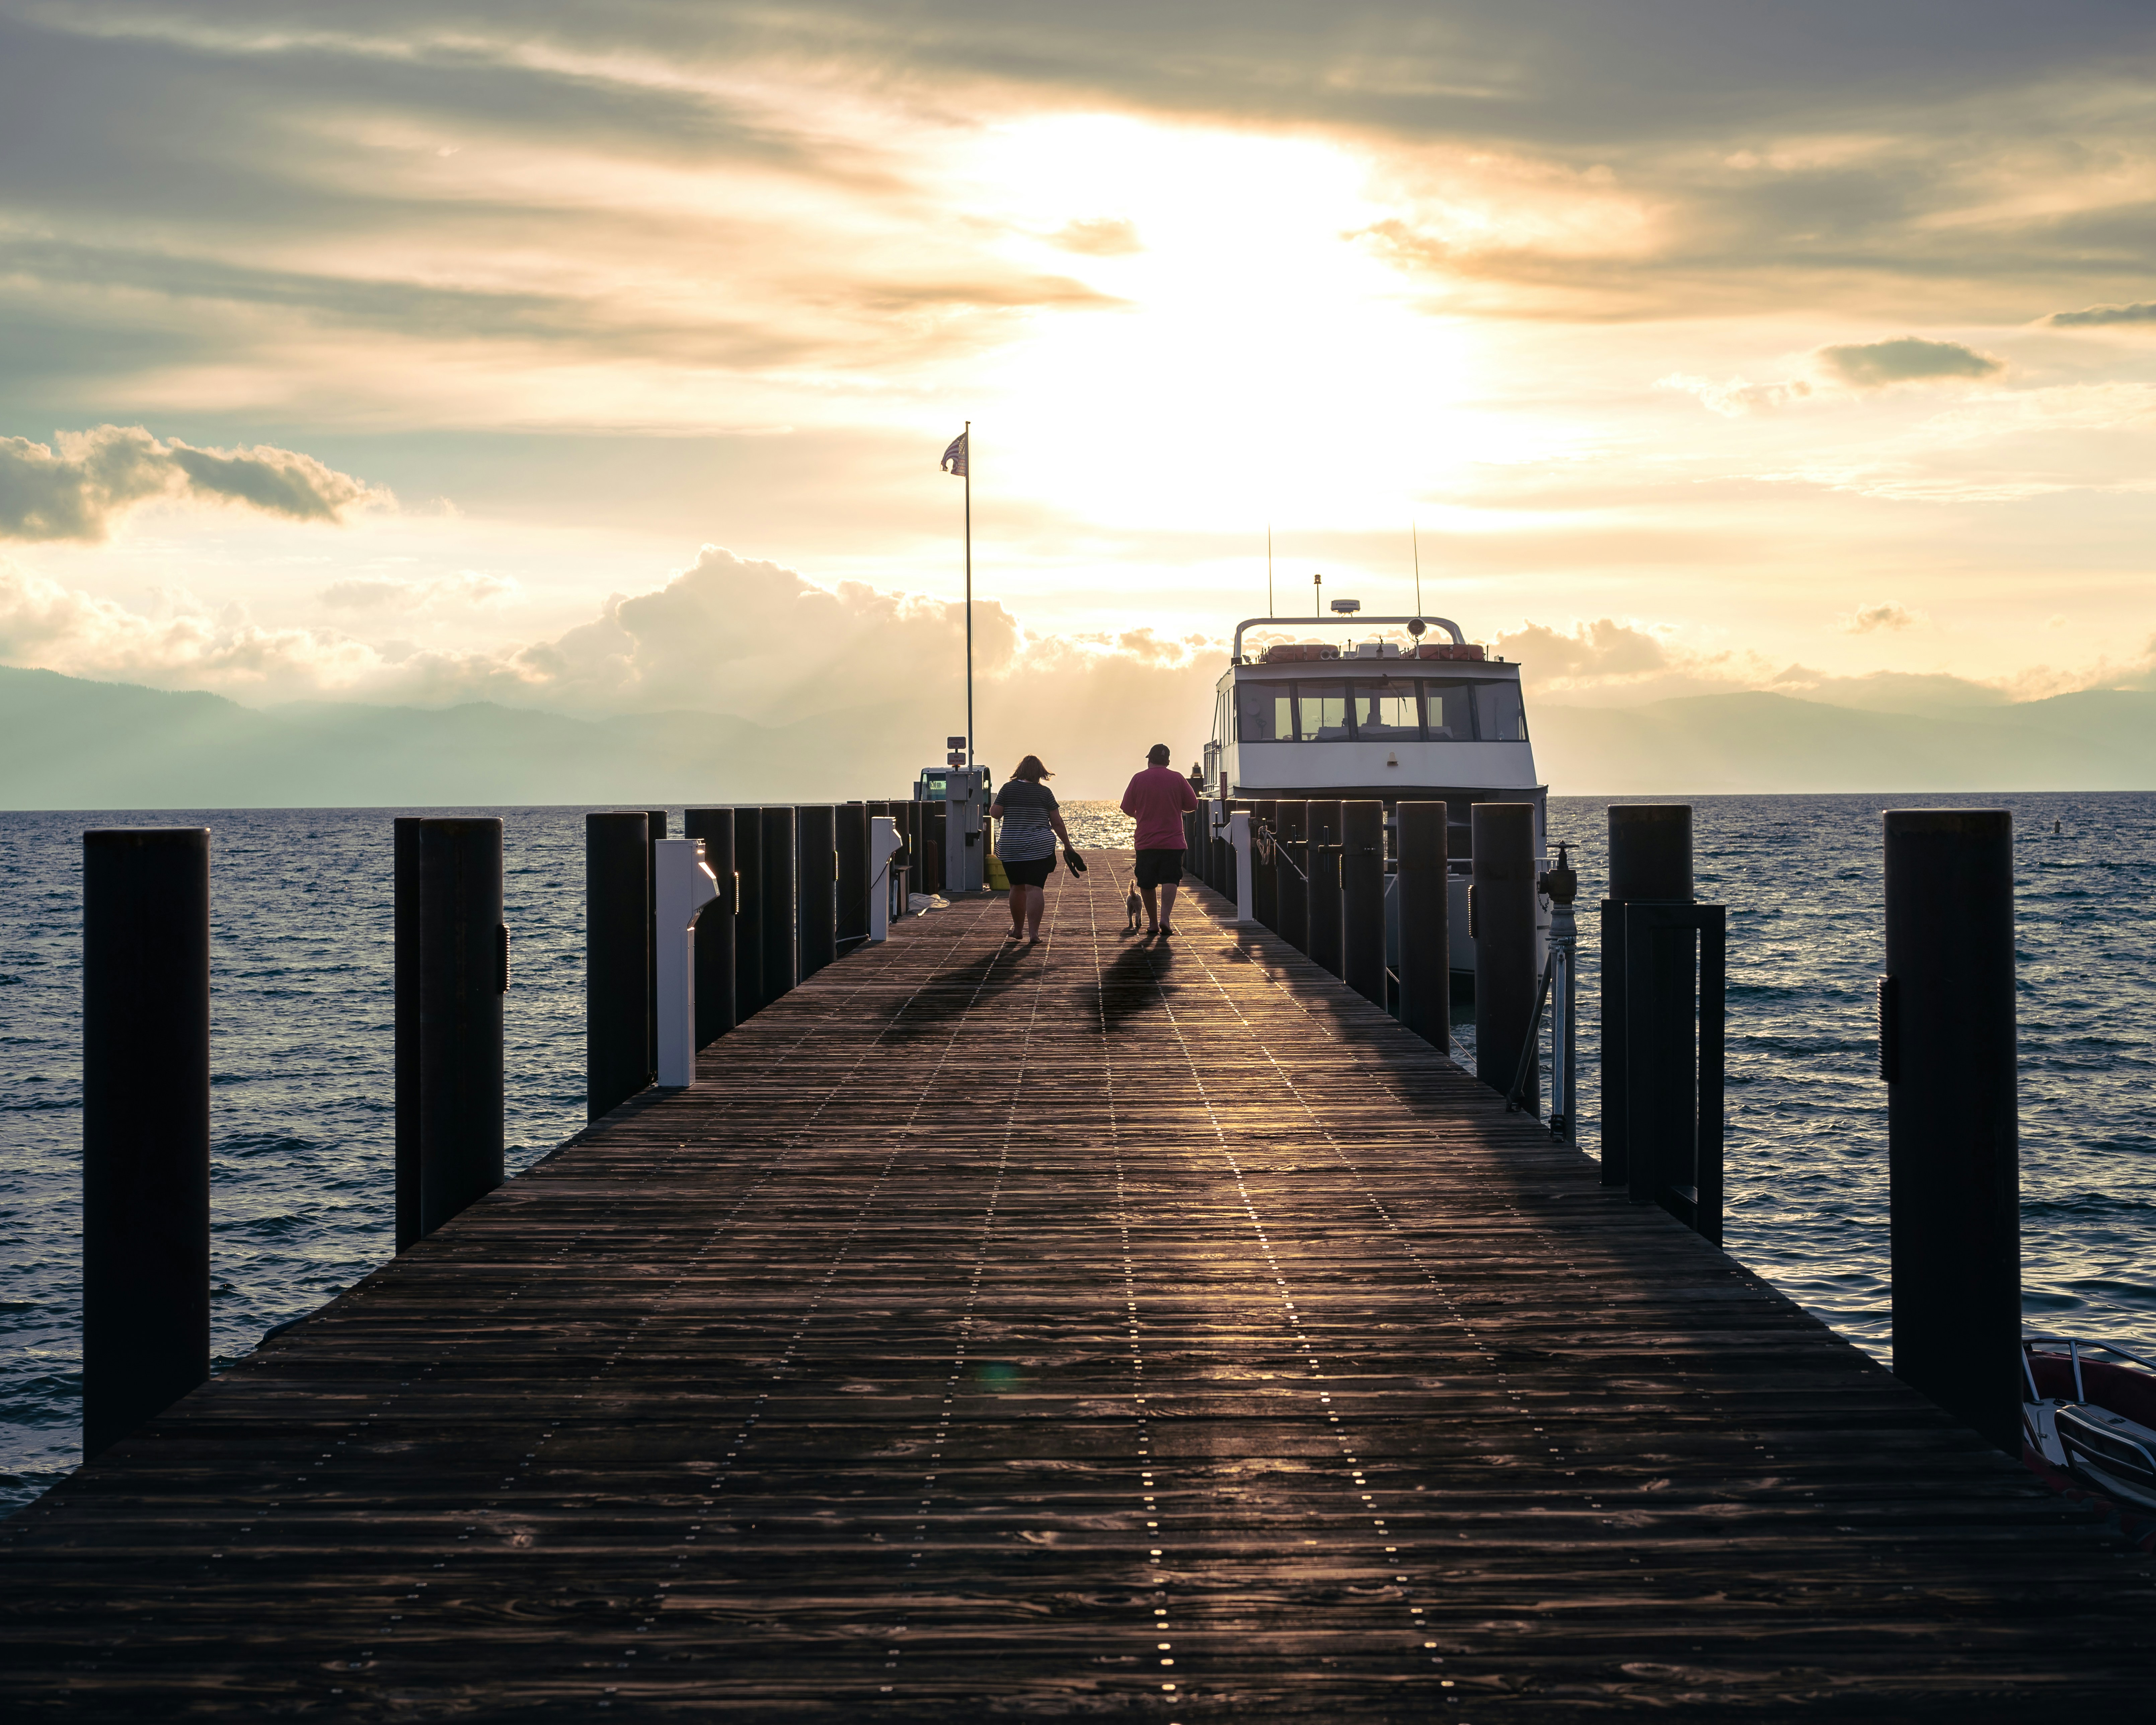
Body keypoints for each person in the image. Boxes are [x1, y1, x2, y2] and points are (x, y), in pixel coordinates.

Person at [989, 755, 1071, 943]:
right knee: (1035, 888)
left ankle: (1018, 930)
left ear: (1020, 771)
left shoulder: (1008, 789)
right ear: (1040, 773)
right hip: (1039, 848)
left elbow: (995, 814)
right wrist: (1068, 845)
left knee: (1016, 888)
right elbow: (1057, 822)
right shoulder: (1046, 793)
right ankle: (1034, 934)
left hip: (1012, 847)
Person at [1120, 742, 1199, 936]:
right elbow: (1193, 804)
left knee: (1147, 882)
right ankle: (1166, 919)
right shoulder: (1178, 779)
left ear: (1150, 760)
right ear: (1168, 761)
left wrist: (1141, 816)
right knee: (1171, 879)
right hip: (1173, 841)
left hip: (1147, 841)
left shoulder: (1138, 779)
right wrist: (1175, 807)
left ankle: (1154, 923)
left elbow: (1127, 808)